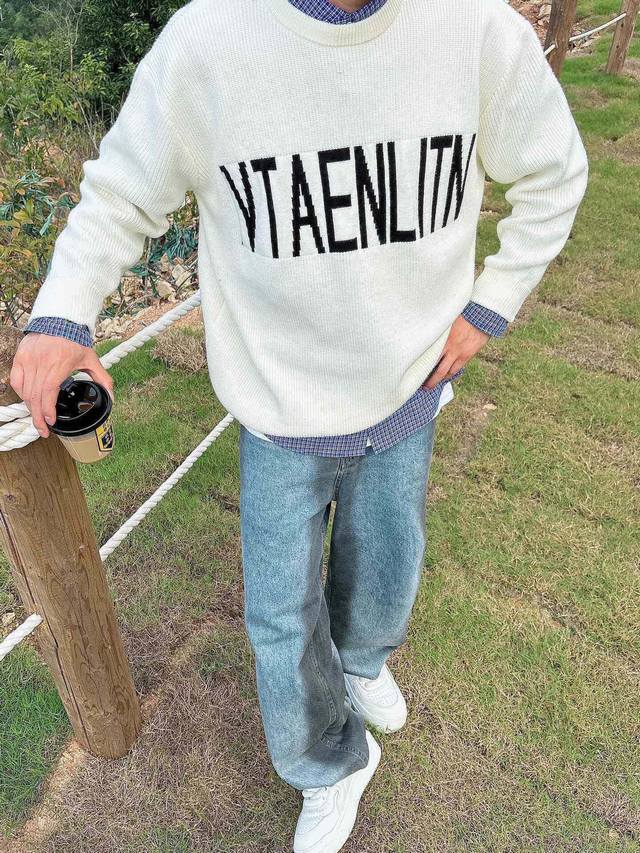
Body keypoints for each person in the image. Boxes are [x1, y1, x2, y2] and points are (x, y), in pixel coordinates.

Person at [10, 0, 589, 849]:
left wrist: (489, 306)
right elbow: (121, 193)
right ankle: (328, 763)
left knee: (386, 561)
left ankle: (361, 664)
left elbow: (554, 172)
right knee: (280, 614)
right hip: (279, 408)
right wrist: (63, 312)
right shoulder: (208, 40)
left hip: (408, 387)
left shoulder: (473, 29)